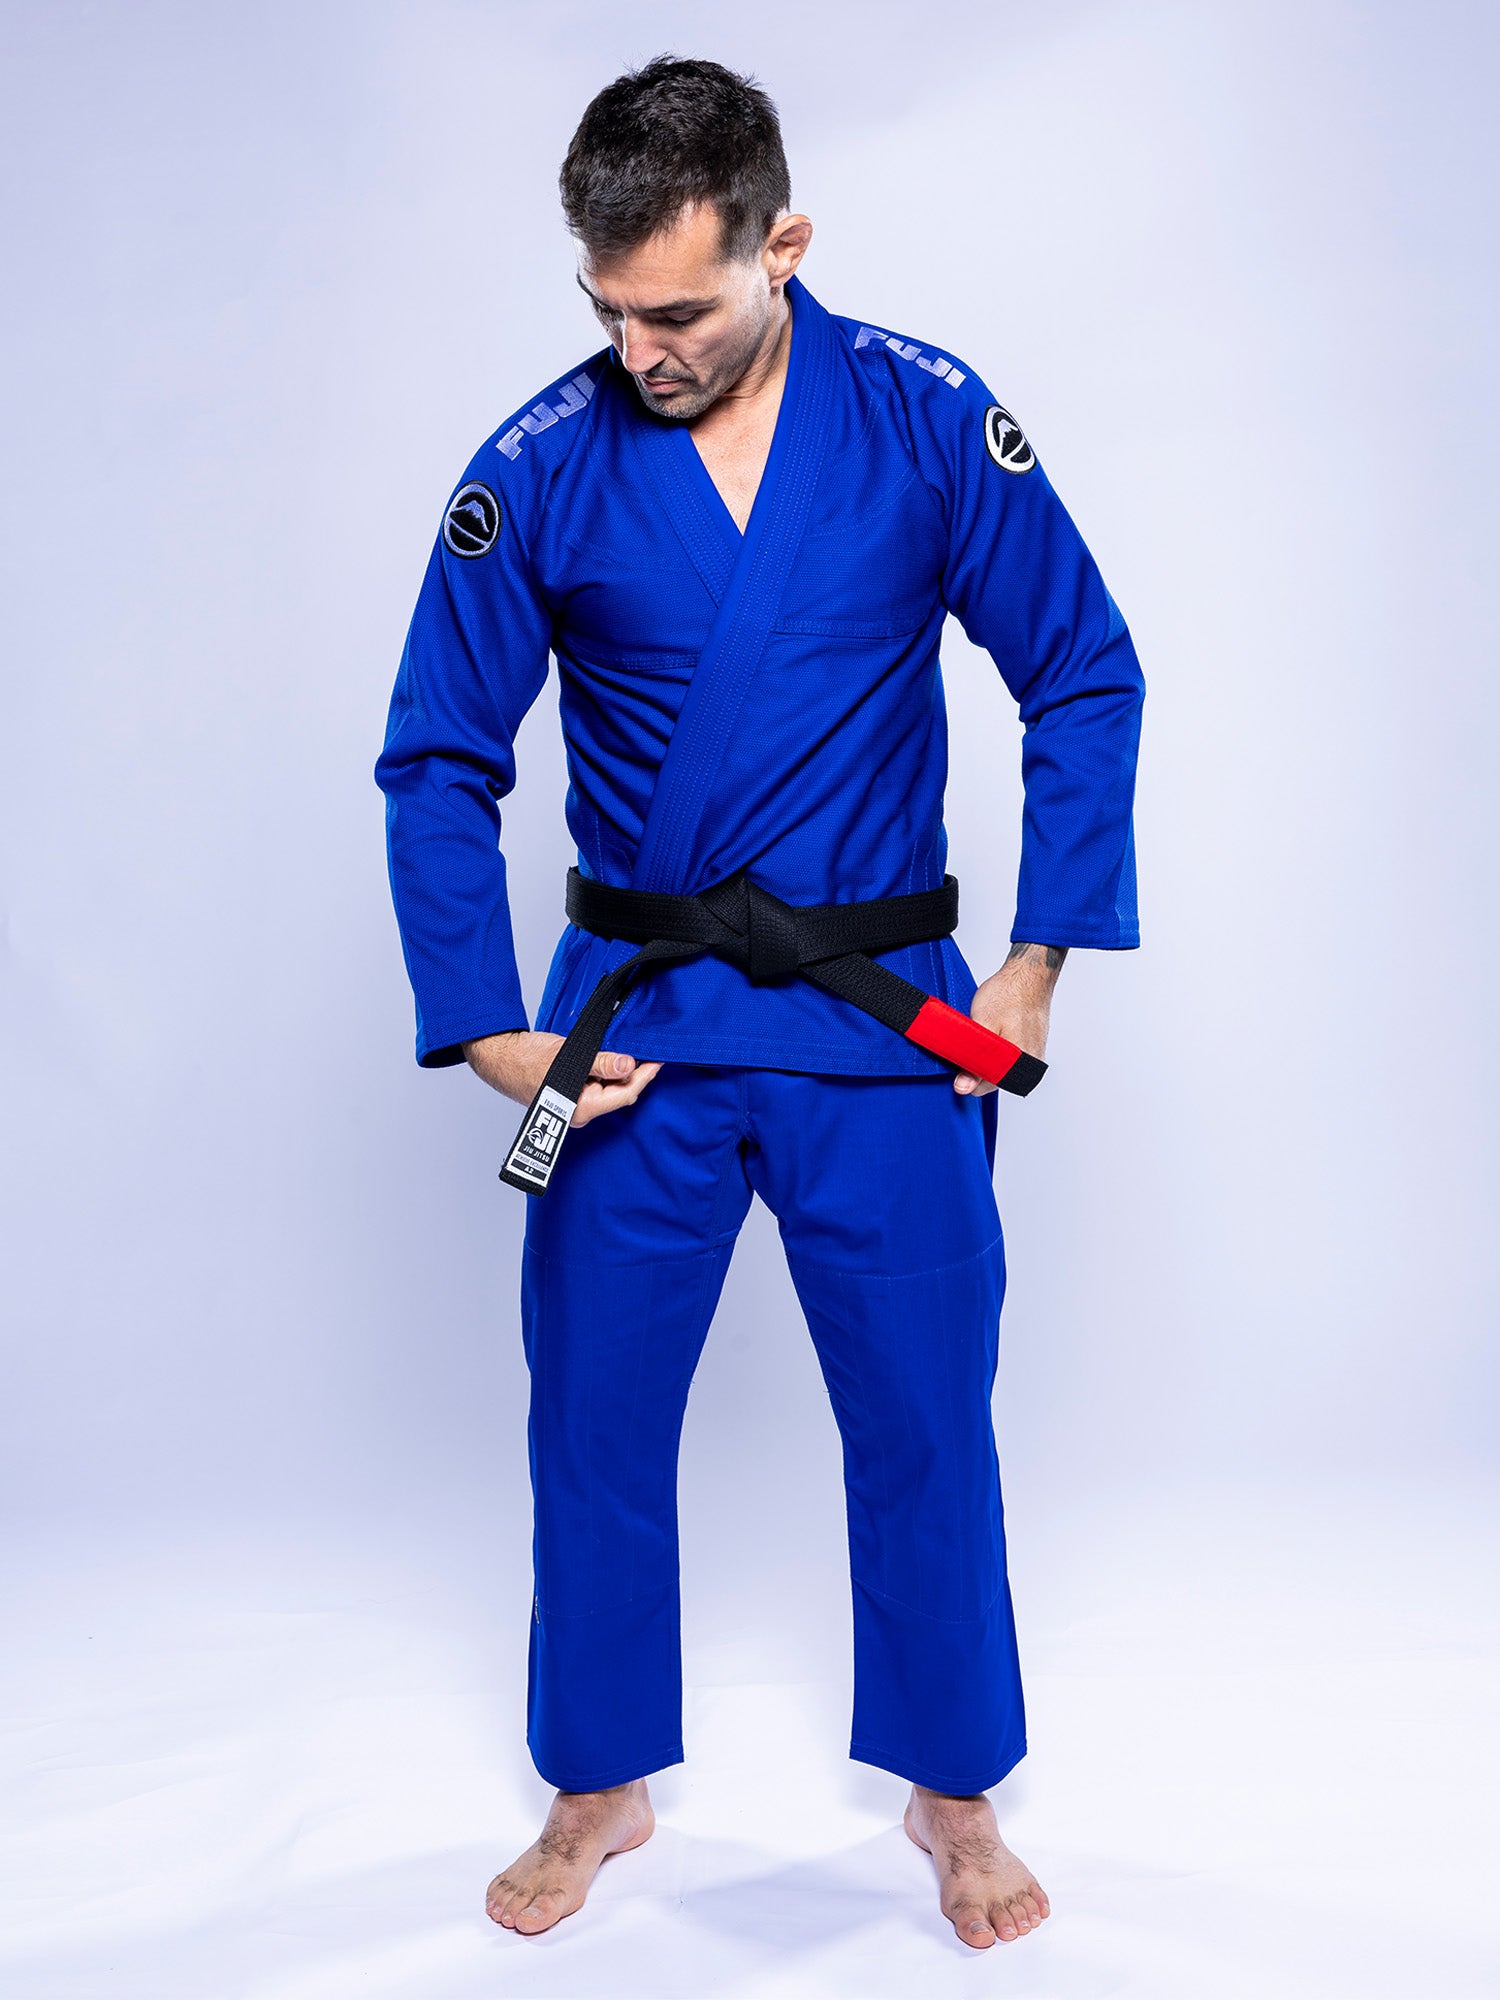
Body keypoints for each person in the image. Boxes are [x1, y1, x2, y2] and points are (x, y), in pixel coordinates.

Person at [375, 55, 1143, 1951]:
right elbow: (437, 757)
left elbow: (1086, 673)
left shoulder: (924, 421)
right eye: (609, 310)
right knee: (598, 1419)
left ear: (783, 244)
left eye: (681, 311)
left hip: (880, 1022)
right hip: (625, 1034)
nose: (639, 349)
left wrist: (1035, 964)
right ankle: (601, 1780)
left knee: (923, 1419)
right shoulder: (538, 469)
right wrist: (490, 1024)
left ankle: (956, 1795)